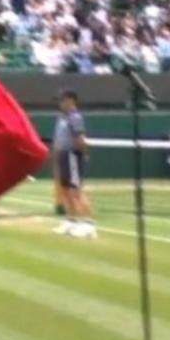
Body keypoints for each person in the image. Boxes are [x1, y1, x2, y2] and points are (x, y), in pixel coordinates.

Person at [52, 89, 97, 239]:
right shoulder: (61, 117)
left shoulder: (75, 117)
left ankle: (89, 224)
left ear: (71, 101)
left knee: (76, 190)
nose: (60, 103)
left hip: (72, 155)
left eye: (63, 100)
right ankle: (71, 220)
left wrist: (83, 153)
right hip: (63, 155)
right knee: (65, 189)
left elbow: (80, 138)